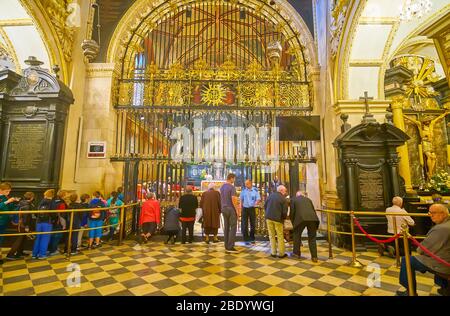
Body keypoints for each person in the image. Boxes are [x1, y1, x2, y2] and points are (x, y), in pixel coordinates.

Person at [396, 203, 450, 296]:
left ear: (443, 213)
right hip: (445, 258)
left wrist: (420, 252)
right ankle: (445, 288)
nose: (431, 215)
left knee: (407, 260)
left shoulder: (441, 228)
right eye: (430, 213)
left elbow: (422, 249)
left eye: (434, 213)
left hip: (443, 263)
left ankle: (410, 291)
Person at [290, 191, 320, 262]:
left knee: (296, 235)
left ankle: (296, 253)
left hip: (300, 219)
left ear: (297, 195)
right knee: (312, 238)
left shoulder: (294, 199)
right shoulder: (308, 200)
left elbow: (292, 212)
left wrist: (293, 222)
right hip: (313, 219)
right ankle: (314, 257)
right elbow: (312, 210)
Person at [6, 192, 35, 260]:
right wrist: (27, 226)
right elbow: (26, 217)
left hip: (19, 224)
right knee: (19, 239)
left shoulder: (21, 202)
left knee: (22, 238)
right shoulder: (27, 205)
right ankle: (10, 254)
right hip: (22, 225)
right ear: (32, 198)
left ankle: (20, 252)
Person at [264, 185, 288, 258]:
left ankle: (273, 252)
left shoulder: (270, 196)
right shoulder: (283, 199)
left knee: (271, 236)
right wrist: (283, 219)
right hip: (278, 219)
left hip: (269, 218)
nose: (285, 192)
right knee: (280, 236)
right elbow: (284, 212)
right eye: (285, 191)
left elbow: (265, 206)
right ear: (281, 190)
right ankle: (281, 253)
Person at [32, 189, 56, 259]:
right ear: (52, 195)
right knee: (45, 239)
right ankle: (42, 254)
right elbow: (53, 214)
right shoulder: (52, 202)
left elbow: (36, 212)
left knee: (38, 238)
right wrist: (53, 220)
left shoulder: (41, 201)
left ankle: (34, 254)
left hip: (38, 222)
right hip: (47, 222)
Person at [0, 182, 20, 264]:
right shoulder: (4, 198)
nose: (8, 193)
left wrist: (16, 204)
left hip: (4, 222)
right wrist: (7, 202)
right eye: (6, 191)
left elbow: (10, 209)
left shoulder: (6, 197)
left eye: (9, 191)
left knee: (1, 239)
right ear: (1, 190)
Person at [220, 174, 239, 253]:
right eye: (234, 179)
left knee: (226, 227)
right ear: (231, 178)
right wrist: (237, 210)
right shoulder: (231, 187)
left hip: (224, 208)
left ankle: (226, 245)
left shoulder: (222, 187)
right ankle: (230, 246)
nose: (234, 180)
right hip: (231, 208)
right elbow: (233, 199)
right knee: (233, 227)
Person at [48, 190, 68, 256]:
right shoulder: (62, 203)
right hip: (58, 222)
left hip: (52, 221)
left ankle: (50, 249)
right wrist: (64, 224)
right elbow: (62, 215)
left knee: (52, 235)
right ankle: (53, 250)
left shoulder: (53, 201)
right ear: (63, 195)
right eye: (66, 195)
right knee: (57, 236)